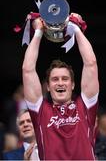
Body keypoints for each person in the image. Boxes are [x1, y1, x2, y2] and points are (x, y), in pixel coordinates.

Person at [22, 12, 99, 160]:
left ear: (73, 85)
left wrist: (75, 28)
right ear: (48, 87)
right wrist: (38, 31)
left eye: (65, 79)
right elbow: (27, 70)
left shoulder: (86, 107)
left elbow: (91, 64)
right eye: (55, 79)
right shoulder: (40, 111)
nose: (60, 83)